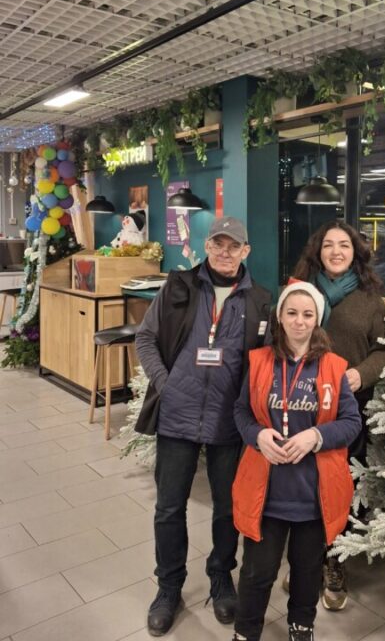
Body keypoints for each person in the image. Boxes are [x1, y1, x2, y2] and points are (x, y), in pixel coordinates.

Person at [134, 216, 272, 636]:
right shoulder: (179, 286)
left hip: (229, 422)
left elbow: (264, 362)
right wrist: (166, 384)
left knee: (227, 508)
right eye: (218, 244)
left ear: (246, 251)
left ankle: (220, 576)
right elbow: (146, 338)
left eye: (234, 246)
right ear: (207, 247)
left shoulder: (260, 300)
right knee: (169, 507)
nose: (225, 253)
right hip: (178, 416)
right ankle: (169, 586)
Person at [231, 282, 361, 641]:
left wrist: (315, 437)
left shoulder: (333, 367)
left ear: (317, 320)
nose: (299, 321)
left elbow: (351, 423)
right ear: (280, 317)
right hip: (267, 495)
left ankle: (301, 627)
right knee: (257, 572)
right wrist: (257, 435)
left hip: (313, 496)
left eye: (307, 314)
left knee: (306, 572)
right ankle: (246, 631)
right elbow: (241, 412)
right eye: (291, 313)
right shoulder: (260, 361)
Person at [292, 220, 385, 611]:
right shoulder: (300, 290)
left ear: (355, 253)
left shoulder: (370, 299)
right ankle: (304, 561)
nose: (336, 251)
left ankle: (336, 560)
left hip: (349, 410)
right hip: (301, 406)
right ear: (318, 251)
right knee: (303, 485)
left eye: (344, 245)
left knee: (342, 488)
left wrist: (361, 374)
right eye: (329, 245)